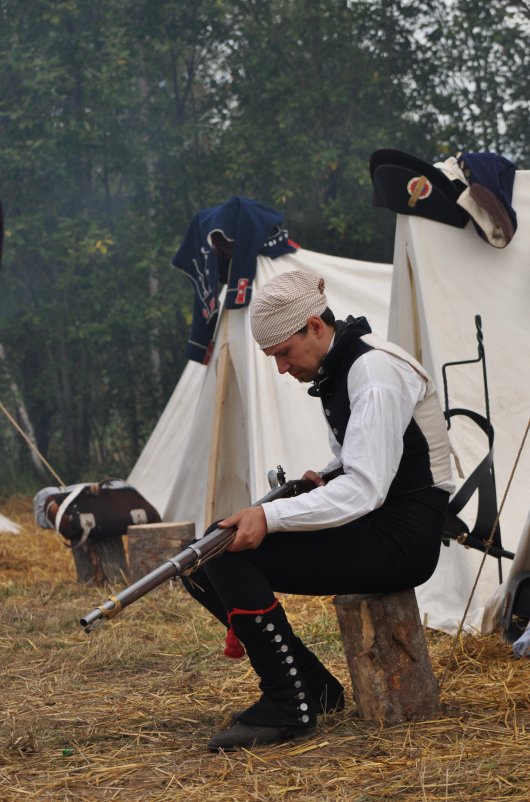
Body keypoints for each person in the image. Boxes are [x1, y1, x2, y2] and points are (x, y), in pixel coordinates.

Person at [182, 270, 454, 752]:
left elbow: (366, 489)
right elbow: (357, 463)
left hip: (403, 537)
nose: (283, 369)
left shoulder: (374, 372)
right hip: (379, 524)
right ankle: (313, 688)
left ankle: (290, 703)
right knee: (200, 555)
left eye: (284, 353)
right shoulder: (342, 369)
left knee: (226, 556)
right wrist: (322, 478)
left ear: (313, 325)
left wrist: (269, 517)